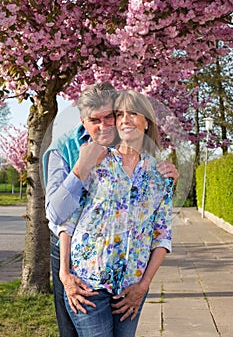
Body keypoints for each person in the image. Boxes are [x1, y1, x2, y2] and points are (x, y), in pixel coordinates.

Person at [43, 83, 179, 337]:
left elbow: (162, 233)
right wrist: (64, 272)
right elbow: (60, 217)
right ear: (84, 121)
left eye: (111, 116)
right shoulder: (69, 151)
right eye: (97, 119)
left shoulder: (158, 173)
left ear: (147, 122)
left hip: (130, 282)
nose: (107, 125)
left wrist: (143, 284)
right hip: (84, 273)